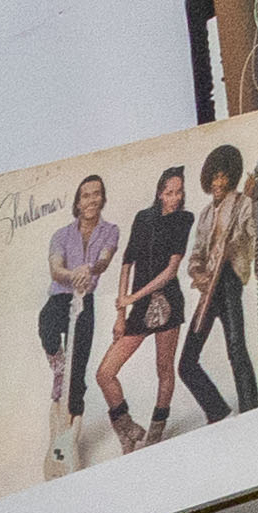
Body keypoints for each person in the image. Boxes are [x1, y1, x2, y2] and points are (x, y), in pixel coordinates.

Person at [97, 162, 190, 447]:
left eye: (179, 192)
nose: (175, 198)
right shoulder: (143, 218)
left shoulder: (184, 220)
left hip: (168, 302)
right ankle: (129, 431)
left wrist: (132, 297)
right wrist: (121, 314)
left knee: (164, 368)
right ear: (160, 192)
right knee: (105, 373)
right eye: (169, 192)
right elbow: (127, 263)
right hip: (137, 309)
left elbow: (171, 272)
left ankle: (155, 435)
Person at [179, 138, 258, 424]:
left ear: (231, 177)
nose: (218, 181)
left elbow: (254, 234)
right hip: (207, 288)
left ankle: (251, 411)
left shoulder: (242, 204)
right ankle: (218, 411)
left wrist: (254, 203)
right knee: (186, 363)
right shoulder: (203, 215)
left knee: (236, 348)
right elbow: (196, 255)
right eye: (214, 175)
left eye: (223, 175)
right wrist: (198, 273)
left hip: (228, 281)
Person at [39, 171, 117, 464]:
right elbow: (56, 269)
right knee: (46, 324)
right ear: (78, 201)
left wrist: (91, 270)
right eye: (86, 195)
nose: (92, 199)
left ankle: (67, 441)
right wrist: (74, 275)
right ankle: (58, 364)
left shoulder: (110, 230)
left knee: (79, 367)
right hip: (61, 297)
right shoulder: (61, 235)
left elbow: (105, 259)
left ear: (102, 198)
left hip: (88, 301)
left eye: (97, 194)